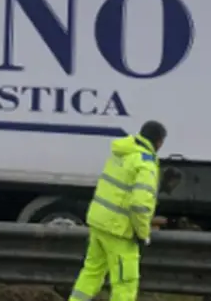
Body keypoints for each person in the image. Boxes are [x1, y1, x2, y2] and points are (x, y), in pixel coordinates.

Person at [67, 120, 167, 301]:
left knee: (91, 272)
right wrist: (143, 233)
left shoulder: (122, 153)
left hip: (99, 223)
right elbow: (139, 205)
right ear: (159, 142)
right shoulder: (146, 164)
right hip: (119, 231)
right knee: (125, 283)